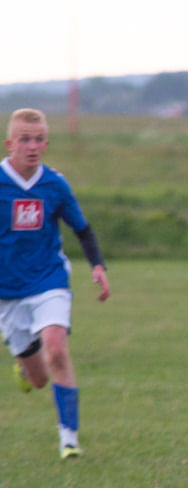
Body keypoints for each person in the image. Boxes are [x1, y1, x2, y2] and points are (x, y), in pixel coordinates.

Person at [1, 108, 110, 459]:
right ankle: (24, 364)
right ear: (10, 144)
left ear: (46, 143)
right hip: (7, 293)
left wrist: (97, 266)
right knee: (38, 379)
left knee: (57, 349)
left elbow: (83, 229)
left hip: (49, 280)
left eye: (38, 140)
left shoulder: (55, 185)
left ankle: (69, 440)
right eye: (24, 140)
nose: (32, 147)